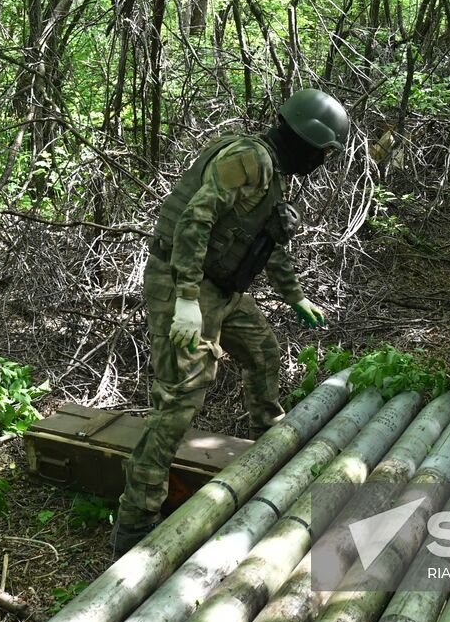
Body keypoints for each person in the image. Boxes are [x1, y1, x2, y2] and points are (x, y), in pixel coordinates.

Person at [112, 89, 349, 555]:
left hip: (220, 290)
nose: (323, 162)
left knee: (263, 351)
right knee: (180, 400)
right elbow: (193, 223)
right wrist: (184, 300)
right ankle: (135, 518)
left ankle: (269, 439)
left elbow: (270, 242)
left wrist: (294, 296)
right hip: (182, 281)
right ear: (308, 140)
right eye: (324, 153)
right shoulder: (247, 159)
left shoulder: (272, 175)